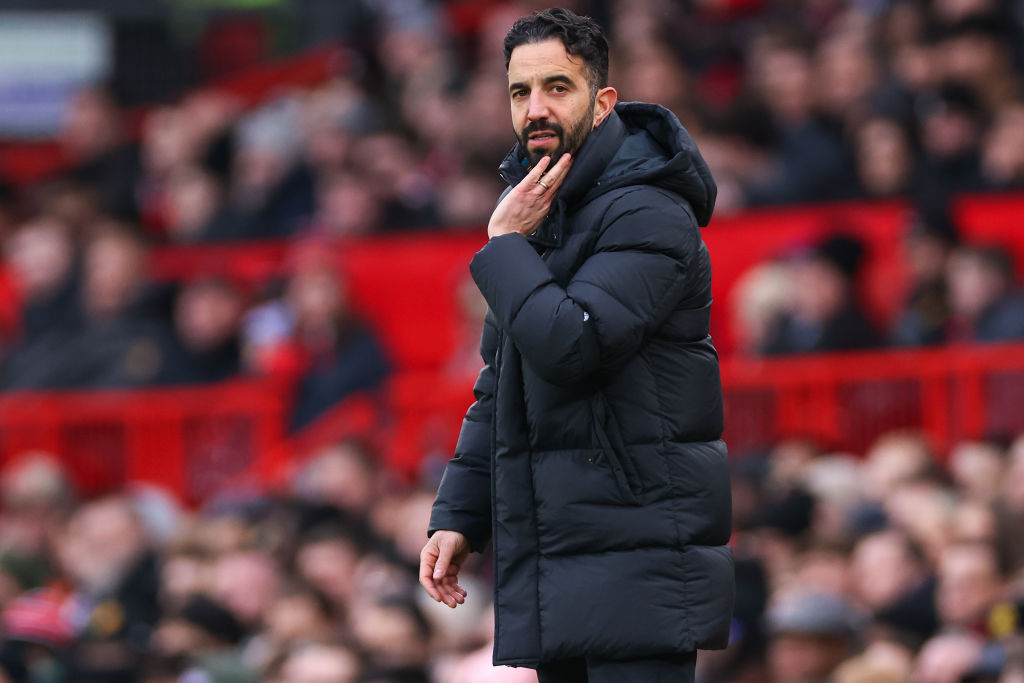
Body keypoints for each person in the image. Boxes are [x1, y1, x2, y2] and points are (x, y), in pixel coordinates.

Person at [419, 8, 733, 682]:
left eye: (557, 87)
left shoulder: (649, 209)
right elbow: (501, 383)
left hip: (639, 553)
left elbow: (571, 347)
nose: (535, 107)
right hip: (563, 556)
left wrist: (505, 247)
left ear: (603, 100)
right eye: (519, 91)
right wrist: (460, 515)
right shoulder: (537, 210)